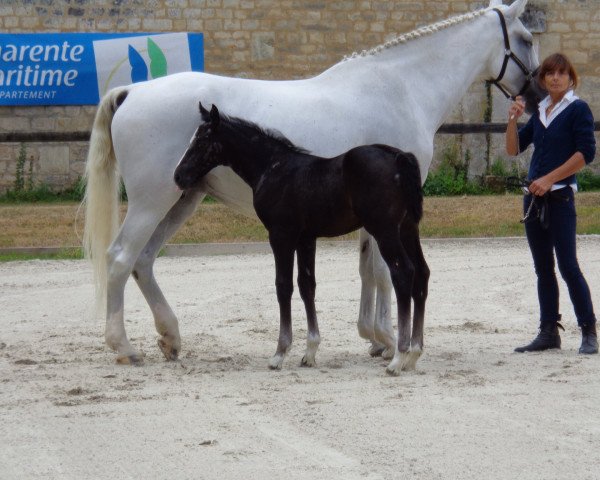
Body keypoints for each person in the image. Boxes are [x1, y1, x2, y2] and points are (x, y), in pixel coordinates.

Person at [505, 52, 598, 354]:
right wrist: (511, 120)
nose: (555, 77)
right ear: (543, 80)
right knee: (543, 268)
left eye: (561, 73)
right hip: (533, 201)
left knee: (568, 266)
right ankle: (548, 331)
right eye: (550, 73)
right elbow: (513, 149)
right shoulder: (540, 112)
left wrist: (548, 179)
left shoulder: (578, 109)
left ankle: (588, 330)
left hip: (560, 198)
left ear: (570, 78)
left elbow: (585, 154)